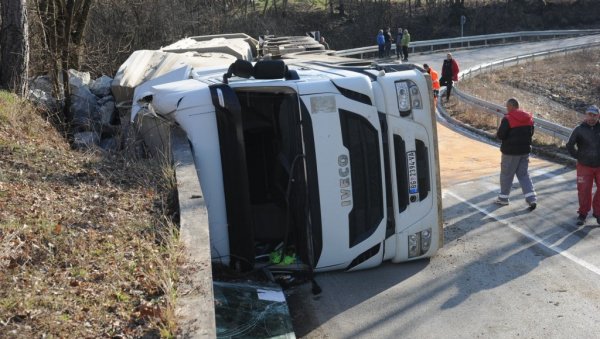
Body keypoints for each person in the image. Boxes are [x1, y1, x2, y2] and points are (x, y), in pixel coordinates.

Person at [495, 98, 537, 211]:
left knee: (507, 174)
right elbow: (531, 133)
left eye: (507, 106)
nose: (506, 109)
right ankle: (531, 198)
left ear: (512, 106)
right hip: (524, 151)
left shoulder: (508, 118)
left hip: (510, 152)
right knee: (524, 175)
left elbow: (501, 135)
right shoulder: (529, 118)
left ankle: (503, 198)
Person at [566, 105, 600, 225]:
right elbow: (569, 145)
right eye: (590, 115)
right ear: (586, 115)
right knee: (584, 191)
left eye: (594, 115)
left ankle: (598, 213)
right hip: (584, 166)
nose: (592, 117)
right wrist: (578, 156)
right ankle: (583, 214)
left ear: (598, 116)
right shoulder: (579, 129)